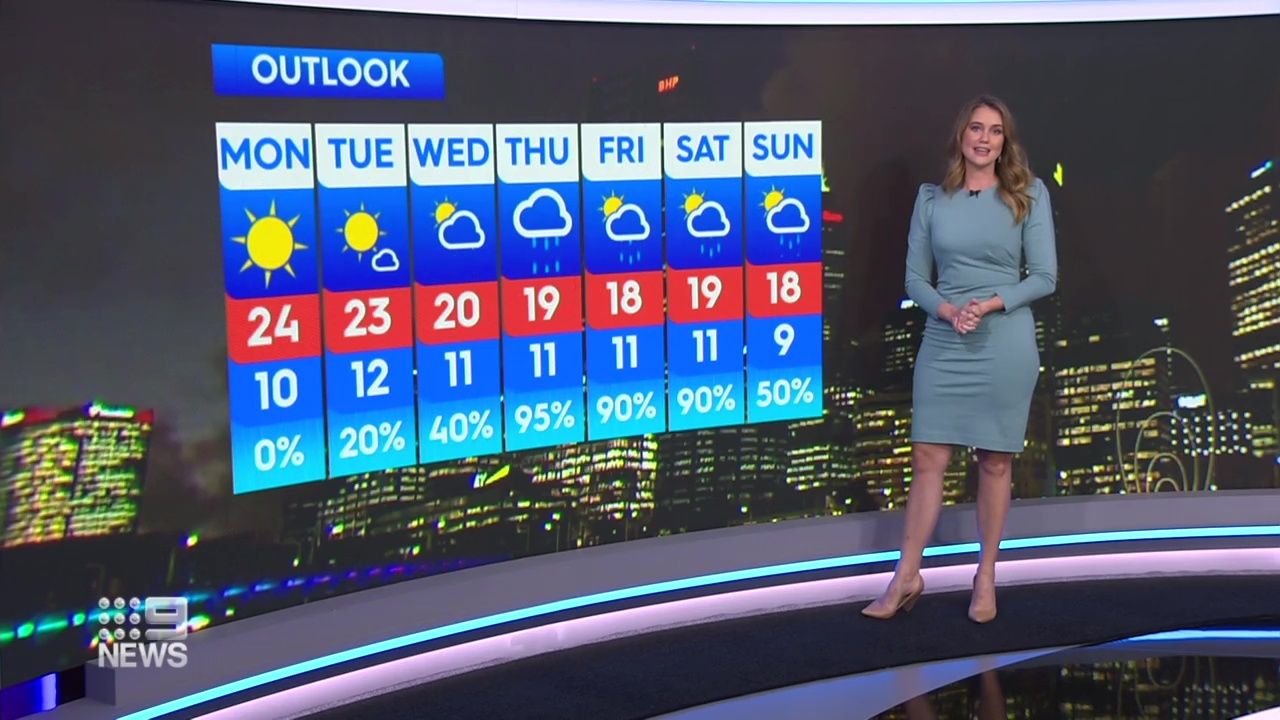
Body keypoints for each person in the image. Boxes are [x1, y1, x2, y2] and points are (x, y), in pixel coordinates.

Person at [861, 94, 1058, 623]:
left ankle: (985, 576)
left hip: (1004, 341)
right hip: (945, 339)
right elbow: (914, 280)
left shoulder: (1028, 194)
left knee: (994, 461)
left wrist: (991, 303)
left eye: (995, 130)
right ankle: (906, 576)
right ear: (961, 136)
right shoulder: (932, 200)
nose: (984, 138)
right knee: (928, 458)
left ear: (1004, 141)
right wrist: (948, 310)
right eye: (976, 128)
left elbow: (1044, 276)